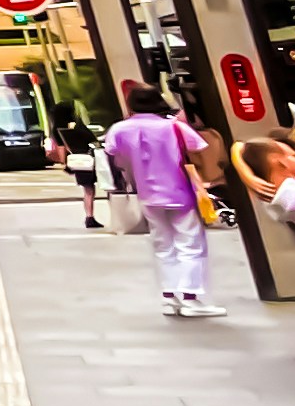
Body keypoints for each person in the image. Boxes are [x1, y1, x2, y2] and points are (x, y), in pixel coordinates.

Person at [99, 80, 226, 317]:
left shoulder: (119, 129)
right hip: (180, 192)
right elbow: (200, 147)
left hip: (147, 195)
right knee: (190, 244)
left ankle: (170, 296)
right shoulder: (174, 127)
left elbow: (112, 153)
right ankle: (190, 298)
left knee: (162, 245)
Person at [53, 96, 105, 230]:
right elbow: (93, 142)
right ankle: (90, 217)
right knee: (94, 189)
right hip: (89, 159)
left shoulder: (60, 130)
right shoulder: (79, 128)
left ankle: (89, 216)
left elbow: (62, 147)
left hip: (78, 161)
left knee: (87, 190)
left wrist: (65, 163)